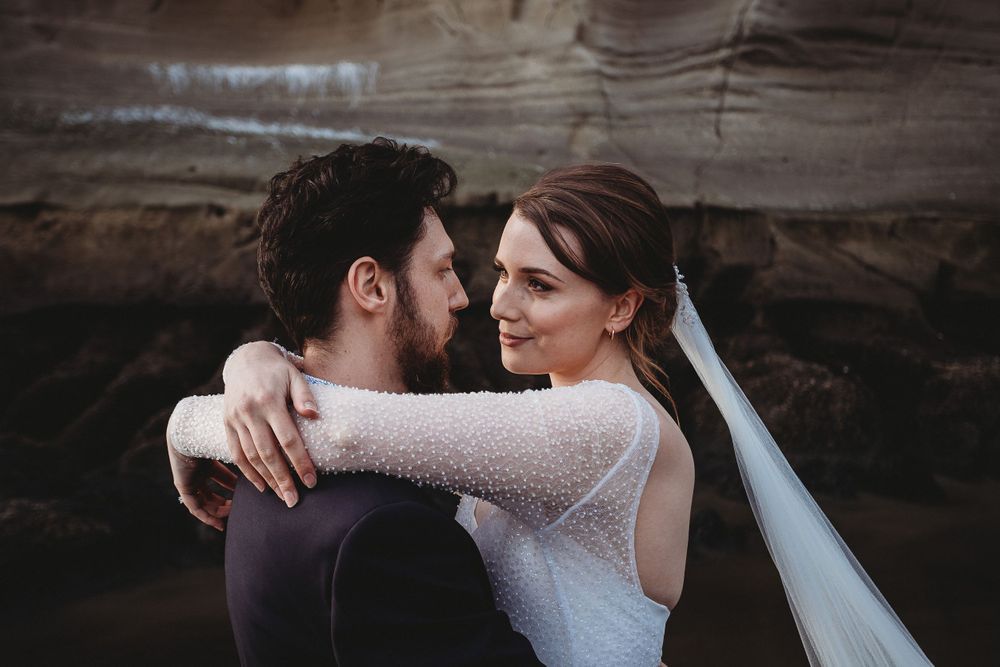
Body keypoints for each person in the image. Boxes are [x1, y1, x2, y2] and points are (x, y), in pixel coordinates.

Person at [171, 162, 933, 666]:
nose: (494, 303)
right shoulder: (544, 421)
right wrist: (258, 362)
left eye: (539, 284)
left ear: (622, 305)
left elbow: (341, 428)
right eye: (499, 272)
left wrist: (193, 415)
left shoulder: (607, 430)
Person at [166, 138, 543, 666]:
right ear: (371, 285)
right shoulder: (388, 533)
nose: (461, 296)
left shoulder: (256, 459)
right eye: (441, 270)